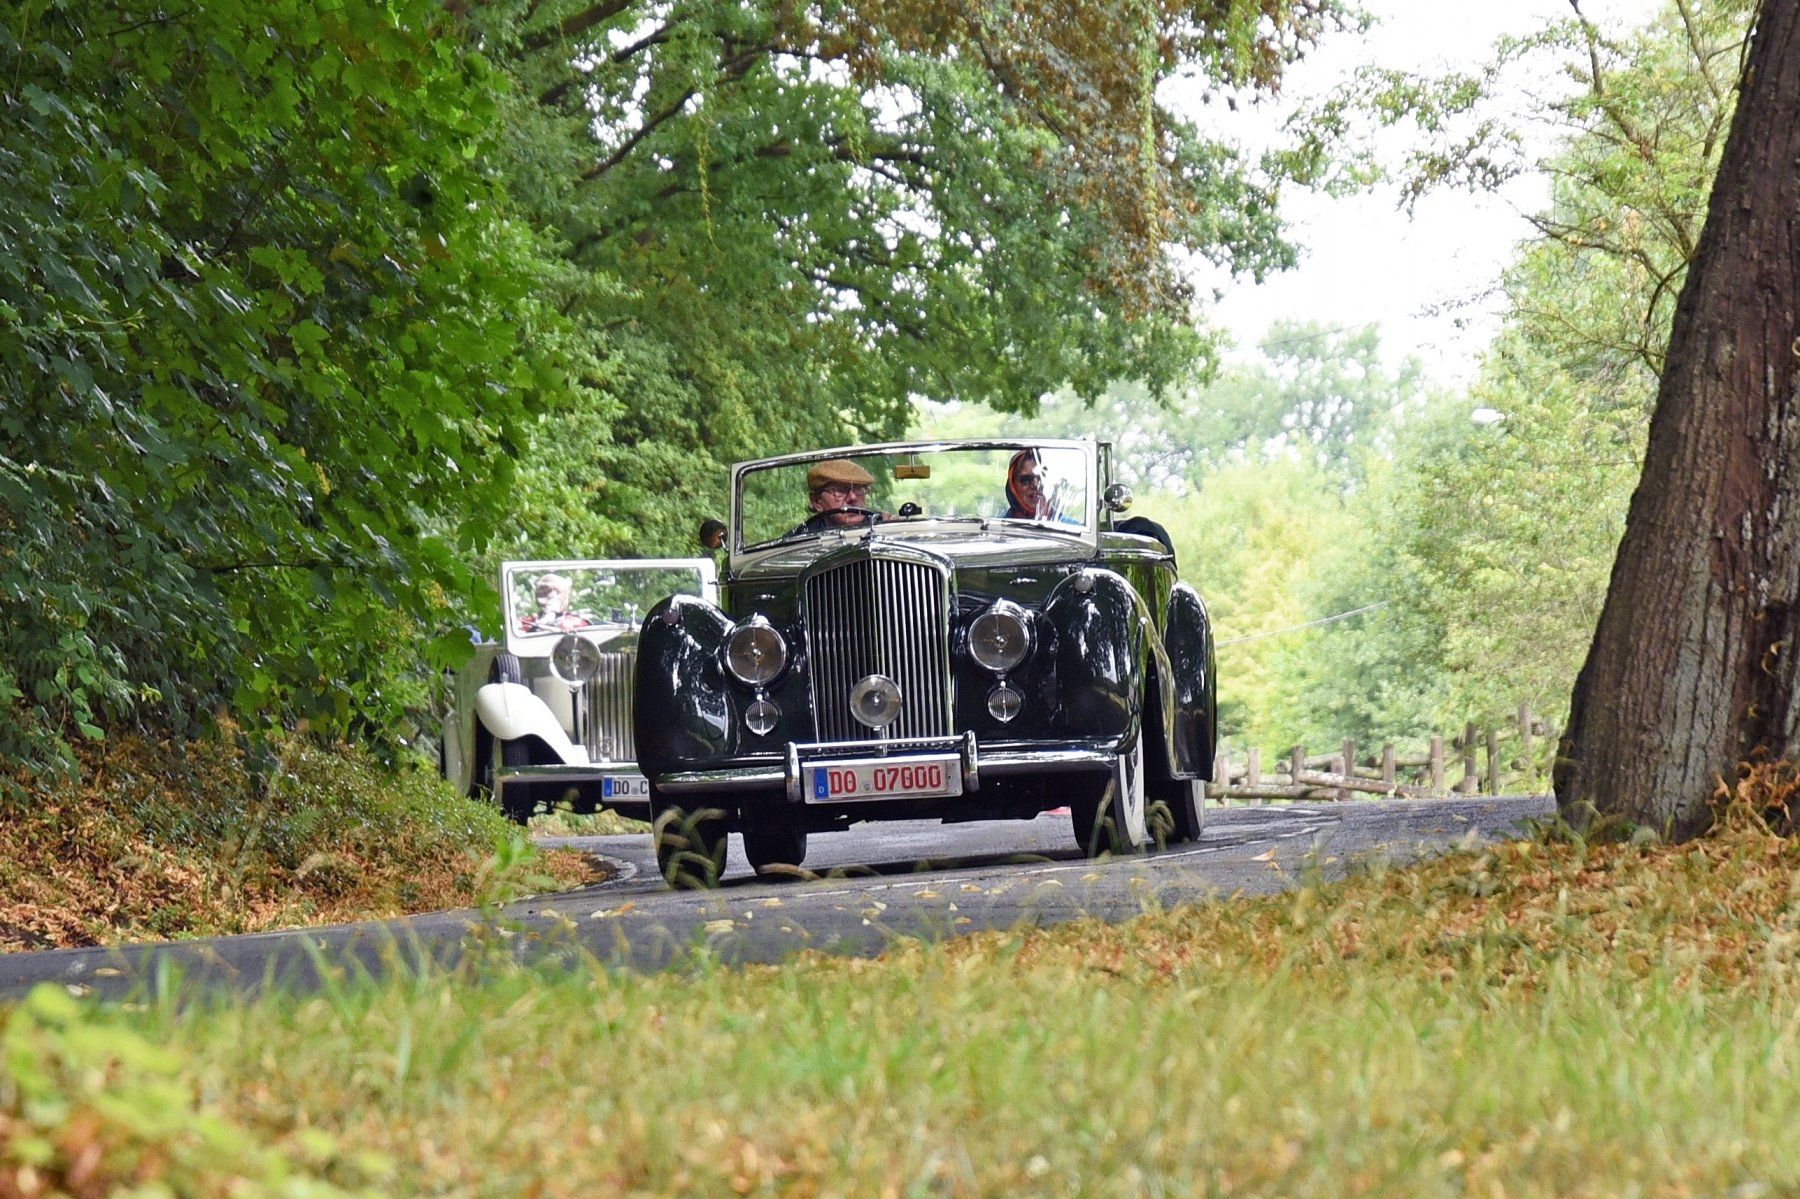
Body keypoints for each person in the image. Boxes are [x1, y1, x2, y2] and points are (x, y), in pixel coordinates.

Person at [799, 458, 878, 531]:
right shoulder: (800, 541)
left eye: (858, 488)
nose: (853, 497)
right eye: (841, 490)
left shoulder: (883, 525)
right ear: (817, 501)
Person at [519, 572, 592, 633]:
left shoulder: (575, 622)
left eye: (557, 593)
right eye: (544, 592)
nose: (550, 597)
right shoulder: (527, 622)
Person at [1002, 449, 1062, 521]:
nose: (1036, 485)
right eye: (1026, 479)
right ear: (1013, 486)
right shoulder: (995, 528)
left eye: (1041, 477)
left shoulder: (1071, 528)